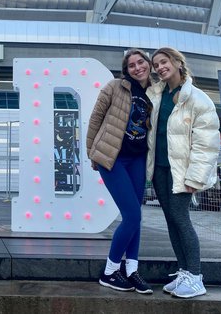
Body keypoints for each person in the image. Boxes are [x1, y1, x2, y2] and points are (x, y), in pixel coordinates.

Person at [146, 47, 220, 299]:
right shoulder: (157, 95)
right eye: (156, 64)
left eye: (164, 62)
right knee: (170, 218)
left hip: (182, 171)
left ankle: (196, 276)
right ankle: (184, 273)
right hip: (160, 168)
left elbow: (206, 143)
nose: (159, 68)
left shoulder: (197, 99)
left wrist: (195, 177)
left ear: (178, 62)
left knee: (180, 217)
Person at [86, 48, 153, 294]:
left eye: (141, 62)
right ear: (127, 70)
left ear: (148, 64)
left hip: (138, 159)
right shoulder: (115, 87)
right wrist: (91, 152)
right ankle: (109, 271)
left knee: (135, 217)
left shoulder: (154, 93)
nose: (137, 68)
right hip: (112, 158)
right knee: (132, 216)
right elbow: (95, 118)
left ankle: (132, 270)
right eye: (132, 65)